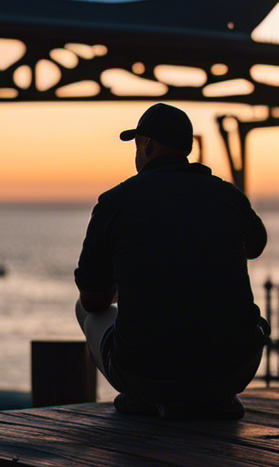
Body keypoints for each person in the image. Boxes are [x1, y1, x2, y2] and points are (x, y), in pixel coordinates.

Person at [74, 103, 268, 419]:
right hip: (236, 369)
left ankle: (144, 396)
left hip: (145, 374)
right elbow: (255, 246)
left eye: (137, 145)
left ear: (147, 145)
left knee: (85, 311)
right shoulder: (227, 196)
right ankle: (214, 398)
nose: (137, 154)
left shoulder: (115, 203)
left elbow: (94, 301)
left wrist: (134, 284)